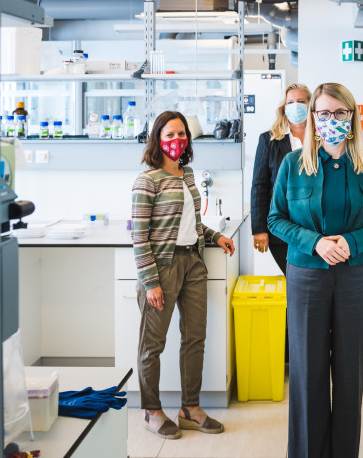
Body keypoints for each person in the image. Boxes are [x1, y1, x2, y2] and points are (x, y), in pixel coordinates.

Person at [268, 83, 363, 458]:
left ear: (353, 117)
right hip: (306, 274)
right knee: (308, 371)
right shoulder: (294, 165)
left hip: (354, 276)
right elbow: (275, 219)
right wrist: (316, 242)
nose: (331, 120)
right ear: (313, 118)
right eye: (323, 114)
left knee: (349, 369)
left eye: (339, 113)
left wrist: (352, 243)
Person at [131, 110, 236, 440]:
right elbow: (140, 234)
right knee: (153, 345)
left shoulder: (187, 174)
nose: (177, 141)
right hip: (162, 267)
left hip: (193, 262)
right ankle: (151, 410)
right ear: (157, 140)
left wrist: (214, 236)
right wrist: (151, 282)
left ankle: (190, 408)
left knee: (195, 338)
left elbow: (190, 223)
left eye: (181, 135)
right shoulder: (147, 180)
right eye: (170, 135)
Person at [251, 83, 312, 275]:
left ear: (311, 105)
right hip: (281, 227)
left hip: (316, 227)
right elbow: (259, 186)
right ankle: (293, 307)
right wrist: (259, 229)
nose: (296, 106)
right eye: (291, 102)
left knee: (311, 279)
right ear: (284, 108)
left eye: (301, 101)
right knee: (294, 277)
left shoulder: (322, 139)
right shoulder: (269, 140)